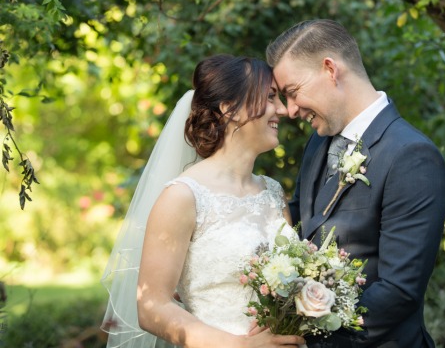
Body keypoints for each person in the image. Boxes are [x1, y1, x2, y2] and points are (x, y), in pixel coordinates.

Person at [266, 19, 445, 348]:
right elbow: (296, 226)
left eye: (293, 93)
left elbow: (399, 291)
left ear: (330, 70)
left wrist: (308, 340)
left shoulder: (412, 156)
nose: (290, 110)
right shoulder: (318, 144)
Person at [101, 54, 305, 348]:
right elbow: (151, 307)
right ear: (229, 108)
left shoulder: (272, 192)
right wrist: (242, 346)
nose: (282, 110)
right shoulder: (182, 197)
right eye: (271, 97)